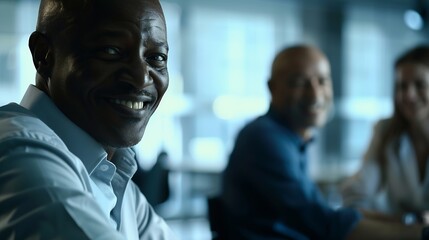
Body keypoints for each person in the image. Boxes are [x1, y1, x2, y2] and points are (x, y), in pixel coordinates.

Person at [0, 0, 176, 239]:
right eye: (111, 51)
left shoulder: (114, 177)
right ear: (43, 55)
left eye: (156, 58)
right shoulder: (18, 154)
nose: (141, 77)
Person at [220, 45, 424, 239]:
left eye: (323, 81)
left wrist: (405, 222)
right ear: (272, 88)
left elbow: (322, 215)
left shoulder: (289, 139)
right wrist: (419, 234)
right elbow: (323, 222)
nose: (315, 94)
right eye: (299, 82)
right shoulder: (265, 139)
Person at [341, 45, 429, 224]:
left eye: (420, 85)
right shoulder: (385, 130)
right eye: (402, 86)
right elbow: (358, 192)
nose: (409, 95)